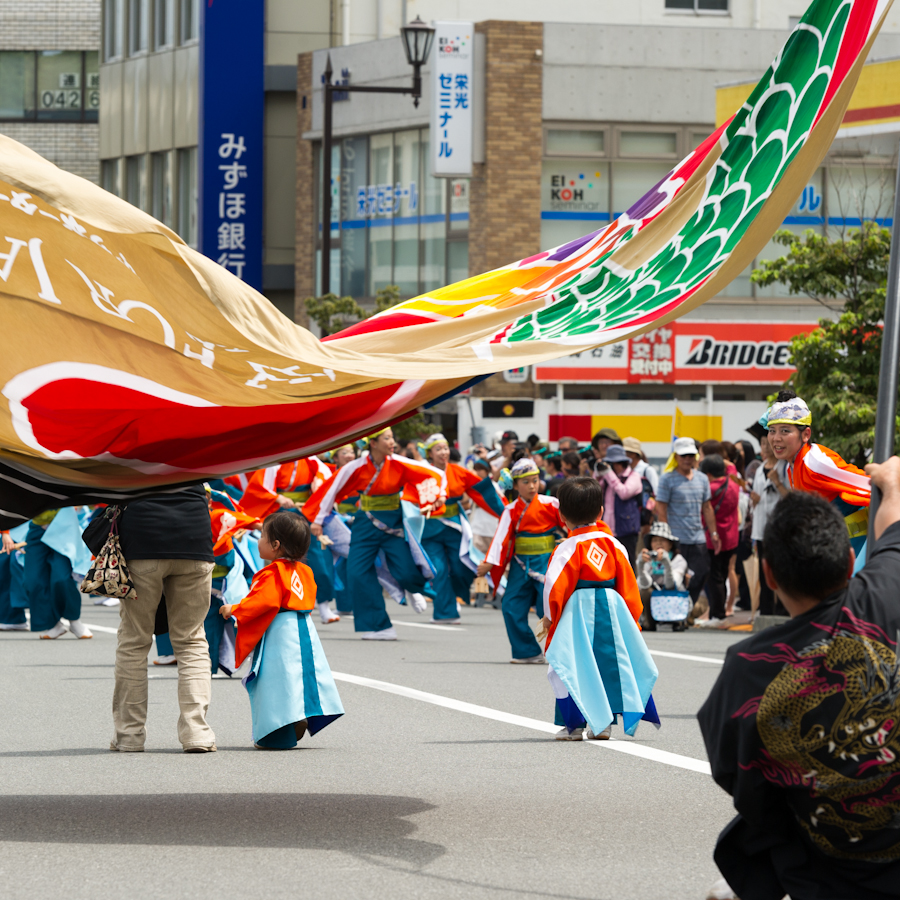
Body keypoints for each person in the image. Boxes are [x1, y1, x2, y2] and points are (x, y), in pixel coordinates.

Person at [698, 461, 900, 900]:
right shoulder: (878, 599)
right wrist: (892, 482)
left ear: (768, 574)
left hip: (826, 863)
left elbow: (738, 777)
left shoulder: (746, 666)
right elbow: (893, 532)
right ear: (850, 561)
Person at [302, 427, 444, 641]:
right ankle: (377, 626)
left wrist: (438, 495)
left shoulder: (399, 462)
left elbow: (436, 474)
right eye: (387, 438)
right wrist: (318, 521)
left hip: (394, 523)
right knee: (357, 572)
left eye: (392, 437)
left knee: (406, 570)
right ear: (373, 443)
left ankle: (412, 588)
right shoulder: (355, 467)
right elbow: (332, 490)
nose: (392, 442)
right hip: (365, 524)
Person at [539, 477, 650, 742]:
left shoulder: (566, 548)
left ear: (561, 516)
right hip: (611, 611)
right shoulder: (614, 544)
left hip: (575, 614)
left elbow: (554, 588)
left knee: (570, 664)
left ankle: (573, 726)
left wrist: (549, 618)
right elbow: (629, 586)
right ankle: (603, 725)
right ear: (600, 512)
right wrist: (631, 619)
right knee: (607, 665)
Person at [107, 486, 218, 752]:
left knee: (134, 640)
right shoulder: (197, 443)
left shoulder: (128, 444)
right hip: (194, 537)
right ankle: (197, 733)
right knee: (191, 641)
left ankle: (130, 736)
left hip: (143, 539)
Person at [221, 511, 344, 750]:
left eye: (263, 536)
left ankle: (278, 735)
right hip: (304, 628)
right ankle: (302, 713)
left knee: (275, 682)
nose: (258, 540)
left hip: (280, 629)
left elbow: (262, 602)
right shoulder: (305, 571)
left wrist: (233, 609)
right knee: (301, 677)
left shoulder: (272, 572)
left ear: (275, 545)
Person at [476, 458, 567, 664]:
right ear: (515, 485)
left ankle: (564, 651)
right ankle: (527, 651)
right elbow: (501, 537)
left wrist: (571, 540)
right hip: (520, 565)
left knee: (550, 608)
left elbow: (571, 522)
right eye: (525, 482)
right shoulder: (511, 510)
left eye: (535, 480)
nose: (532, 486)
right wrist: (490, 562)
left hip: (546, 562)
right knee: (511, 606)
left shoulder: (551, 504)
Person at [766, 391, 870, 558]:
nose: (776, 438)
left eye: (785, 431)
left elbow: (869, 485)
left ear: (806, 434)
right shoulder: (790, 466)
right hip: (832, 548)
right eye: (772, 431)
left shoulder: (815, 462)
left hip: (856, 547)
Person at [240, 457, 340, 624]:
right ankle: (277, 604)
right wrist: (278, 498)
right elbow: (259, 487)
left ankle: (324, 606)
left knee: (316, 560)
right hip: (280, 514)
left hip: (304, 513)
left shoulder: (312, 460)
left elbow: (325, 476)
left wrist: (318, 481)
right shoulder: (277, 460)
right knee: (280, 561)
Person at [419, 433, 504, 623]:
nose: (443, 452)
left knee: (461, 567)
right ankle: (445, 612)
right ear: (429, 454)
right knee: (438, 570)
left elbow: (482, 491)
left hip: (454, 527)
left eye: (446, 448)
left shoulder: (458, 472)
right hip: (430, 529)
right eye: (438, 449)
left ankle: (452, 595)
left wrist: (505, 512)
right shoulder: (421, 472)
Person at [655, 437, 721, 613]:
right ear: (676, 457)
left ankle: (686, 607)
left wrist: (714, 534)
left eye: (691, 455)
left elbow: (707, 507)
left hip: (698, 537)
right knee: (676, 575)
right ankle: (678, 611)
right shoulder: (667, 479)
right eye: (683, 455)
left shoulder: (702, 479)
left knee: (702, 572)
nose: (687, 459)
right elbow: (661, 509)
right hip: (676, 539)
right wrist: (665, 538)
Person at [696, 454, 740, 626]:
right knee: (722, 574)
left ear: (707, 474)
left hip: (713, 538)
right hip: (731, 537)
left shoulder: (710, 487)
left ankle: (717, 615)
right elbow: (732, 468)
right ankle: (718, 613)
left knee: (715, 578)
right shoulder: (734, 483)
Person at [750, 433, 788, 616]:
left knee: (780, 571)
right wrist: (754, 500)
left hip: (780, 528)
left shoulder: (785, 467)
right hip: (761, 529)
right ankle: (765, 610)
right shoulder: (759, 469)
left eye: (767, 443)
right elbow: (756, 500)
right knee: (763, 572)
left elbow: (792, 497)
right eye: (763, 443)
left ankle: (782, 610)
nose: (765, 447)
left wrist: (777, 482)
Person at [637, 521, 688, 632]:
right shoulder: (647, 559)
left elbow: (672, 585)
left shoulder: (678, 560)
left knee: (677, 588)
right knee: (644, 591)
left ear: (670, 544)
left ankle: (678, 621)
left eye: (662, 540)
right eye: (655, 540)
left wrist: (666, 563)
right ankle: (649, 622)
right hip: (654, 599)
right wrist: (640, 565)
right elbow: (643, 584)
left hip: (673, 597)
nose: (658, 543)